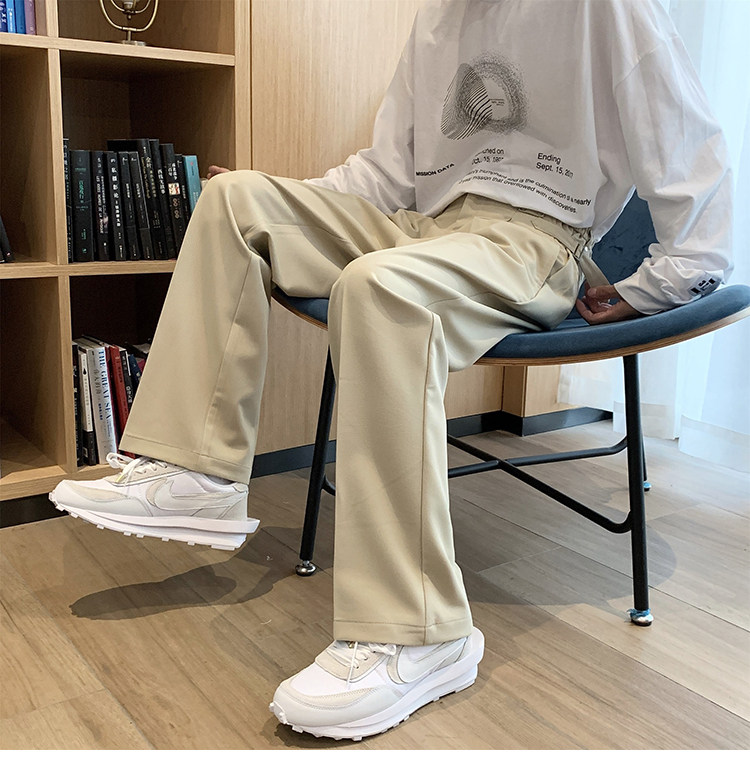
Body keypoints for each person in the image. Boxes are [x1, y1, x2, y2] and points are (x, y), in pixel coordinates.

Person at [50, 0, 732, 742]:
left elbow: (689, 148)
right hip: (424, 226)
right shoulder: (438, 14)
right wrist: (296, 194)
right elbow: (387, 172)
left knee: (379, 288)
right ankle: (198, 474)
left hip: (533, 240)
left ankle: (420, 632)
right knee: (233, 198)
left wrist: (659, 286)